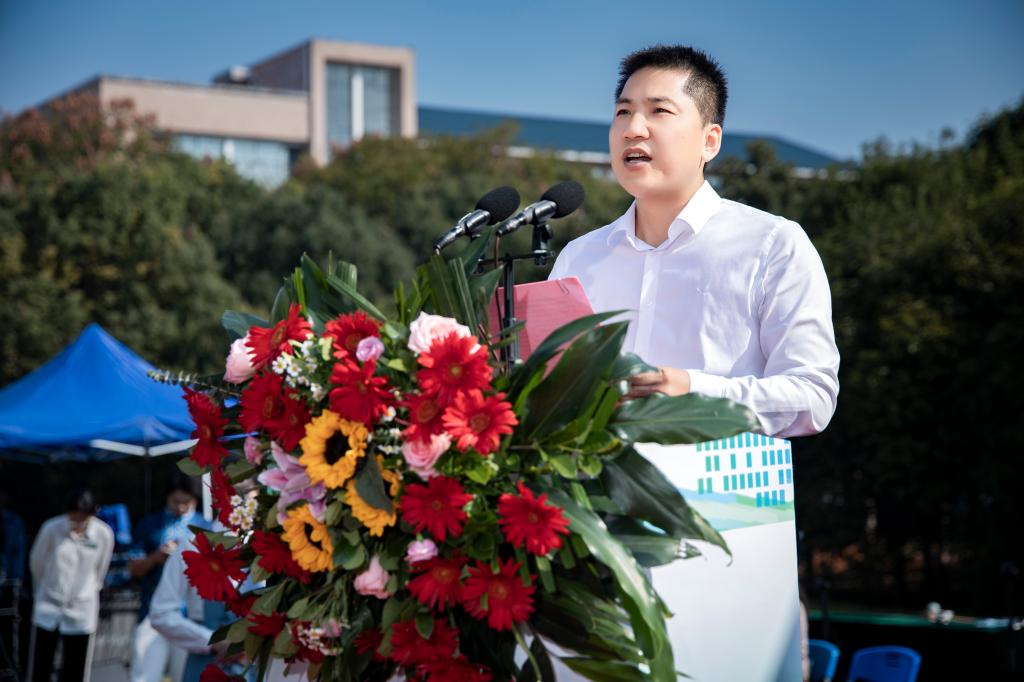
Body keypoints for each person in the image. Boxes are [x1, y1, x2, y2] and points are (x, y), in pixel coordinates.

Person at [548, 45, 839, 438]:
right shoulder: (579, 258)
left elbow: (812, 397)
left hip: (723, 478)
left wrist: (694, 391)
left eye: (659, 110)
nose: (633, 128)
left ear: (710, 141)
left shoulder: (773, 245)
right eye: (623, 112)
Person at [27, 488, 114, 682]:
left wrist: (85, 590)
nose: (77, 523)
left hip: (82, 606)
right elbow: (37, 564)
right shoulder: (51, 528)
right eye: (73, 518)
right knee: (41, 663)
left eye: (82, 519)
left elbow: (100, 569)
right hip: (49, 603)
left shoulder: (103, 534)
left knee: (76, 665)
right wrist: (49, 588)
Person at [126, 473, 206, 682]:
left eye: (186, 502)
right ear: (167, 497)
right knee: (144, 675)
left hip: (192, 618)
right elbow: (133, 568)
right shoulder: (149, 525)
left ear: (195, 500)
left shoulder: (207, 528)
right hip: (151, 613)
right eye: (176, 501)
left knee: (186, 676)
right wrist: (157, 557)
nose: (180, 507)